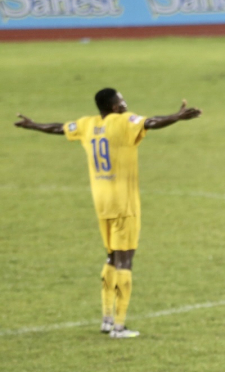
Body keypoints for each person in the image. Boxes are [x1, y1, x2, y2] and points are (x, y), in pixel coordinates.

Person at [14, 88, 202, 338]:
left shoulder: (87, 124)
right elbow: (152, 122)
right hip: (124, 203)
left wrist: (33, 125)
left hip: (101, 202)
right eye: (122, 101)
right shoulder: (123, 121)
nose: (125, 105)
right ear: (114, 107)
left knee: (111, 257)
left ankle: (106, 318)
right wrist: (176, 117)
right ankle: (119, 326)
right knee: (125, 261)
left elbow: (59, 128)